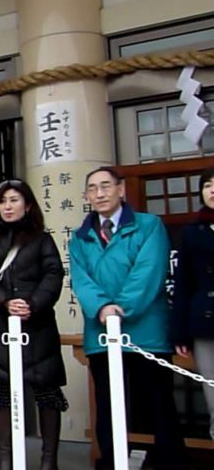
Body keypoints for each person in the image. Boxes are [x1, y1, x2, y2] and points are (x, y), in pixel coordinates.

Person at [71, 167, 185, 470]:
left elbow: (149, 272)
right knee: (109, 408)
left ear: (121, 190)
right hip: (101, 336)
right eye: (92, 188)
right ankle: (112, 462)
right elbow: (81, 280)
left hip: (146, 333)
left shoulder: (149, 226)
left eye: (106, 186)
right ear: (86, 196)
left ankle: (169, 463)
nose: (99, 193)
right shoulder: (80, 237)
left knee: (158, 405)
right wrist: (102, 309)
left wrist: (118, 308)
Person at [0, 180, 66, 470]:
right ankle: (6, 458)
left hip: (38, 326)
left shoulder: (41, 239)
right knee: (1, 392)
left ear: (27, 205)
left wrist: (34, 303)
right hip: (0, 326)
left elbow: (54, 274)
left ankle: (49, 460)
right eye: (3, 201)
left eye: (14, 200)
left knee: (47, 392)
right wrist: (3, 301)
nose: (8, 206)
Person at [171, 167, 214, 440]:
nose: (213, 191)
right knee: (213, 392)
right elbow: (183, 283)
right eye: (208, 185)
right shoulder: (192, 231)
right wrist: (179, 331)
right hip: (204, 320)